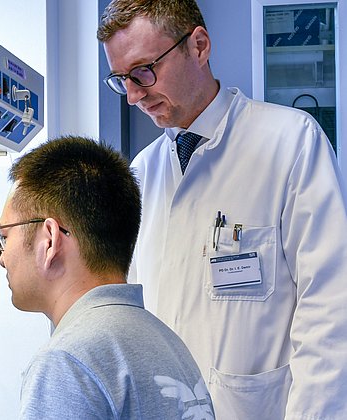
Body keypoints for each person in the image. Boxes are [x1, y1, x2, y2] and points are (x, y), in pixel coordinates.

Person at [97, 1, 347, 419]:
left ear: (198, 46)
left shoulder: (292, 142)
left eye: (143, 72)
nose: (134, 96)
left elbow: (329, 309)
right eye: (121, 80)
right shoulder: (141, 172)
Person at [0, 135, 215, 419]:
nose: (1, 257)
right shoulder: (165, 342)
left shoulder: (68, 361)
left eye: (5, 236)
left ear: (49, 241)